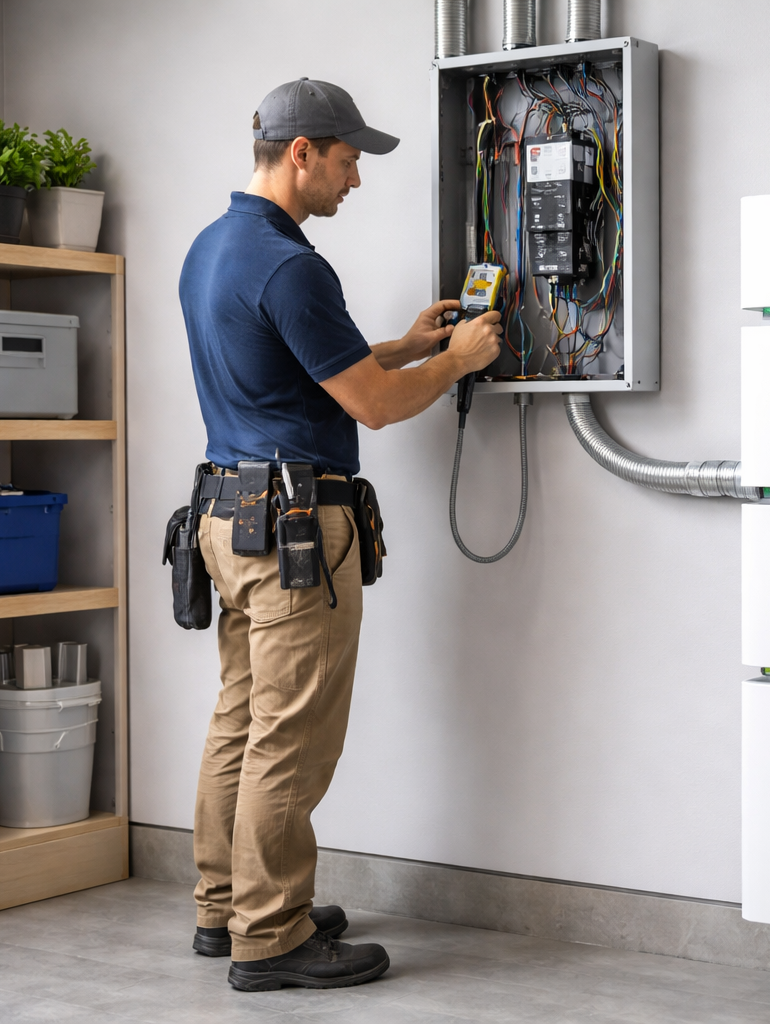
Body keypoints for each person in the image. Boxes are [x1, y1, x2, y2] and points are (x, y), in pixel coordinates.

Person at [177, 77, 502, 992]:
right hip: (293, 533)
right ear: (303, 153)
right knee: (291, 736)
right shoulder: (291, 264)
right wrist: (455, 361)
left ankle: (225, 907)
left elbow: (304, 367)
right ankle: (272, 936)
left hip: (225, 518)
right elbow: (377, 405)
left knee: (240, 722)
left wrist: (404, 343)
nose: (356, 180)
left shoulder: (215, 249)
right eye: (350, 160)